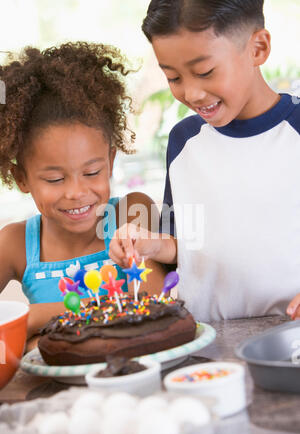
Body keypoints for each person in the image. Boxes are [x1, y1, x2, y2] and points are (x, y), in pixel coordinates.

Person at [109, 0, 300, 322]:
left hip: (288, 342)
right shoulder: (184, 142)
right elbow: (189, 247)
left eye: (204, 72)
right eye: (173, 77)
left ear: (258, 48)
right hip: (203, 345)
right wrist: (153, 246)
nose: (192, 93)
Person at [0, 42, 167, 350]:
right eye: (54, 178)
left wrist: (36, 319)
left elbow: (152, 301)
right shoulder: (14, 244)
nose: (76, 192)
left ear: (111, 162)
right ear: (21, 177)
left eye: (91, 173)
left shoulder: (132, 212)